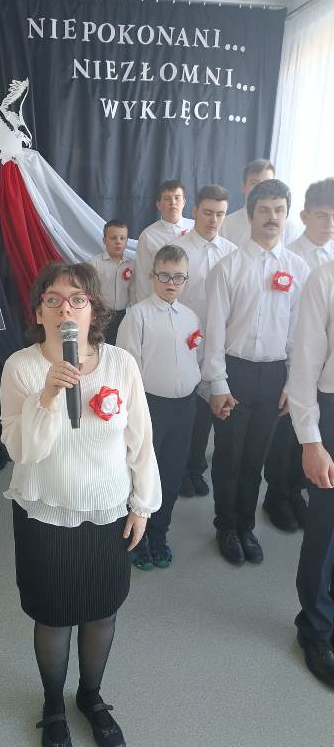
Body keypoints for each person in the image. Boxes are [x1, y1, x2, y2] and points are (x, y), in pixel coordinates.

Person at [0, 262, 161, 747]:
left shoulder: (120, 364)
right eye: (53, 300)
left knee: (101, 612)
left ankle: (90, 697)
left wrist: (142, 505)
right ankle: (53, 706)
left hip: (107, 511)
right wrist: (48, 395)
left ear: (94, 310)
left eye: (78, 299)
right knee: (53, 617)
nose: (65, 309)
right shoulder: (21, 367)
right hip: (45, 512)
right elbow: (22, 451)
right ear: (39, 312)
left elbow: (141, 441)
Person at [202, 179, 309, 565]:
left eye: (279, 210)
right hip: (235, 373)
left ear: (287, 215)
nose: (272, 217)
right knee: (229, 455)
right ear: (250, 215)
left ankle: (245, 526)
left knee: (256, 459)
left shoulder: (297, 268)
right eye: (264, 209)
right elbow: (214, 331)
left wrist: (292, 383)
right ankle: (225, 525)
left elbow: (298, 333)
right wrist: (217, 383)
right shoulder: (228, 267)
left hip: (274, 376)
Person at [117, 245, 201, 570]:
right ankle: (135, 537)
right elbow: (127, 370)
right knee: (142, 472)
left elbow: (196, 359)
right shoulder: (137, 316)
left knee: (172, 473)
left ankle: (158, 534)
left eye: (179, 277)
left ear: (186, 280)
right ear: (152, 276)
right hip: (150, 406)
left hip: (185, 407)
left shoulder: (190, 316)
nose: (171, 283)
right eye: (164, 275)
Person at [263, 178, 334, 531]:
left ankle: (295, 493)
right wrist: (291, 376)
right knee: (286, 439)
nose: (329, 224)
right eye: (322, 216)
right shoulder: (288, 257)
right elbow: (280, 321)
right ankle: (276, 496)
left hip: (324, 370)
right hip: (293, 362)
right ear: (304, 216)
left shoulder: (331, 259)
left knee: (313, 436)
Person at [287, 260, 334, 688]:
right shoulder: (325, 278)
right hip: (332, 408)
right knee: (325, 526)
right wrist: (311, 441)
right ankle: (316, 627)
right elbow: (304, 364)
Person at [175, 185, 236, 499]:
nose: (213, 220)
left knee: (209, 410)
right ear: (195, 210)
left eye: (220, 214)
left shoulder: (232, 252)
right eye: (208, 212)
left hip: (219, 344)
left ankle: (196, 466)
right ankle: (181, 469)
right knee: (186, 410)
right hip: (184, 343)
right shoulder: (178, 250)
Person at [132, 179, 194, 302]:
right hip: (161, 302)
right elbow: (143, 277)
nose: (173, 202)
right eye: (167, 198)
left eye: (177, 198)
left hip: (193, 301)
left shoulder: (196, 229)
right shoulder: (148, 235)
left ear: (184, 202)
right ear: (159, 205)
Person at [220, 158, 299, 247]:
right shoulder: (225, 225)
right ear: (243, 186)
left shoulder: (288, 228)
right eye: (254, 183)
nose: (261, 188)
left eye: (267, 183)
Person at [88, 219, 134, 344]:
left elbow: (134, 290)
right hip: (101, 314)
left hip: (124, 315)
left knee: (121, 345)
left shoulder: (132, 264)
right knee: (101, 345)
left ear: (127, 241)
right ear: (104, 240)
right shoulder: (94, 263)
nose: (118, 242)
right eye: (113, 238)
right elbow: (90, 292)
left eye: (122, 238)